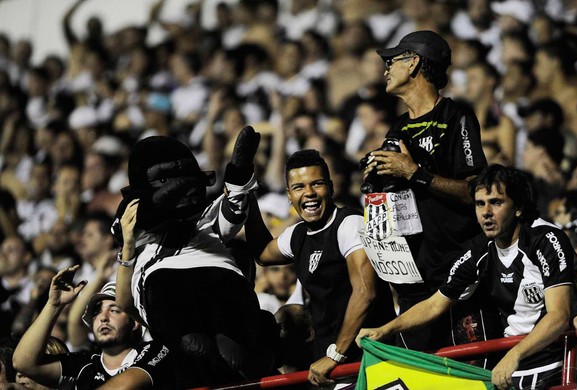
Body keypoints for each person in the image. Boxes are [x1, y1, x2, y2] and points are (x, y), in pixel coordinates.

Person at [356, 165, 577, 390]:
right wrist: (384, 330)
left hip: (558, 365)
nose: (486, 213)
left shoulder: (546, 239)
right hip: (511, 372)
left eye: (496, 203)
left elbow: (558, 316)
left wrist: (514, 354)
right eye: (480, 204)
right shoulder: (480, 249)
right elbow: (435, 304)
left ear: (518, 207)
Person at [113, 130, 279, 388]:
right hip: (165, 284)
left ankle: (230, 337)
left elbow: (234, 209)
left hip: (218, 275)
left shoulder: (205, 221)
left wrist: (239, 170)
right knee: (166, 295)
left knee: (243, 308)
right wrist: (171, 192)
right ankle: (189, 335)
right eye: (165, 179)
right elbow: (137, 216)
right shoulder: (138, 232)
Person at [360, 30, 490, 351]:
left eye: (393, 60)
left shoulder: (456, 117)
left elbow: (476, 190)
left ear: (415, 62)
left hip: (459, 275)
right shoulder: (398, 129)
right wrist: (376, 181)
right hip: (414, 281)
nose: (386, 67)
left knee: (470, 377)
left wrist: (414, 173)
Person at [245, 149, 396, 386]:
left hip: (368, 365)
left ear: (331, 187)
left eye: (317, 184)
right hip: (330, 371)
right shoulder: (298, 234)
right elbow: (263, 253)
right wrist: (247, 194)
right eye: (299, 187)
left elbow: (365, 293)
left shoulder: (349, 224)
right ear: (289, 195)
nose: (309, 194)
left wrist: (335, 355)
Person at [12, 266, 174, 389]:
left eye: (114, 310)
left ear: (135, 323)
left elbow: (123, 385)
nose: (103, 317)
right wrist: (54, 305)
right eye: (96, 312)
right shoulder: (84, 364)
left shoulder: (155, 350)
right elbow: (22, 362)